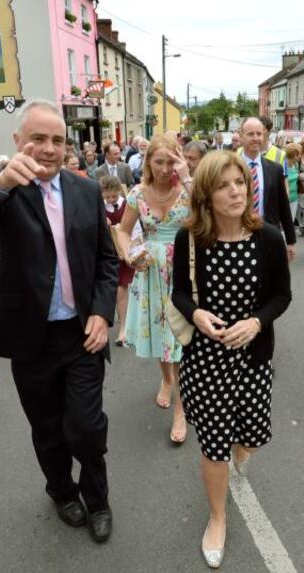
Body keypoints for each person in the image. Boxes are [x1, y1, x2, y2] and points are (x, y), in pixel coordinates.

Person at [0, 99, 118, 543]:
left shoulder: (85, 190)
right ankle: (62, 492)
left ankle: (98, 498)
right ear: (18, 142)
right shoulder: (3, 188)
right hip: (31, 338)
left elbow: (106, 259)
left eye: (57, 140)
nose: (48, 149)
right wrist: (6, 179)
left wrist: (103, 313)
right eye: (38, 139)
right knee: (47, 429)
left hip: (81, 333)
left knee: (86, 428)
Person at [172, 151, 291, 569]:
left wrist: (257, 323)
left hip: (254, 358)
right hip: (205, 360)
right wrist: (196, 314)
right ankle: (218, 518)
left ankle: (241, 454)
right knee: (215, 446)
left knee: (253, 439)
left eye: (239, 181)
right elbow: (180, 293)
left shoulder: (268, 238)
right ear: (206, 193)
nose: (235, 191)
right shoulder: (190, 237)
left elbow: (282, 296)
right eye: (223, 185)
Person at [116, 134, 193, 444]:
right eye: (158, 162)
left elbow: (210, 214)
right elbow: (122, 232)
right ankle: (165, 379)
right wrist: (129, 254)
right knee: (162, 336)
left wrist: (188, 177)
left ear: (179, 161)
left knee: (180, 340)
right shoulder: (137, 194)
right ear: (147, 163)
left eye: (170, 162)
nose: (164, 169)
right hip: (151, 272)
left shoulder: (188, 191)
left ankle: (180, 409)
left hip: (183, 269)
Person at [240, 118, 297, 261]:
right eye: (250, 134)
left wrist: (290, 241)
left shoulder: (274, 169)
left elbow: (283, 206)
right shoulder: (229, 167)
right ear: (241, 136)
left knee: (270, 279)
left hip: (268, 234)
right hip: (238, 234)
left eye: (259, 134)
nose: (256, 138)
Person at [100, 175, 134, 346]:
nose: (110, 199)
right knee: (106, 290)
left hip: (123, 251)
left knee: (121, 289)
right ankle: (102, 327)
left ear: (119, 192)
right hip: (105, 253)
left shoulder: (127, 204)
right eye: (107, 197)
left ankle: (123, 329)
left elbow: (135, 229)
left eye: (113, 196)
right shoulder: (98, 206)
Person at [285, 143, 302, 220]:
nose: (300, 157)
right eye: (299, 154)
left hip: (294, 198)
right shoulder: (282, 165)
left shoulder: (295, 165)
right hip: (285, 199)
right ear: (295, 155)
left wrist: (299, 177)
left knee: (291, 221)